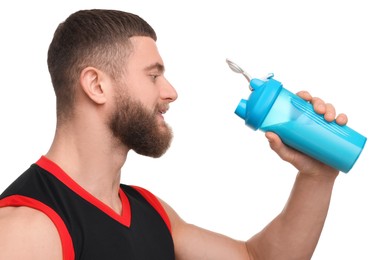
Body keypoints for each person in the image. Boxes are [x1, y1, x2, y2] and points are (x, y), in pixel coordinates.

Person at [0, 9, 348, 260]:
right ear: (96, 85)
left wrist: (316, 175)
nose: (171, 92)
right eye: (153, 75)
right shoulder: (27, 228)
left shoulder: (150, 212)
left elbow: (258, 259)